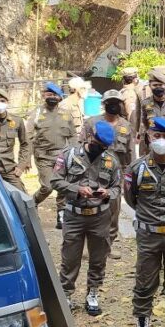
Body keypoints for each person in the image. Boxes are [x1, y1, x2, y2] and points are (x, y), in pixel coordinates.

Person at [52, 119, 122, 316]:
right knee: (70, 258)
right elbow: (55, 180)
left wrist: (107, 193)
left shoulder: (111, 160)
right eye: (98, 145)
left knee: (98, 258)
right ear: (90, 137)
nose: (101, 150)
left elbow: (117, 187)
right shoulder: (69, 155)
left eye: (104, 147)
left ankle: (93, 292)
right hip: (74, 215)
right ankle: (66, 293)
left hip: (99, 217)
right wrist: (76, 189)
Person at [124, 117, 165, 327]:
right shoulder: (136, 169)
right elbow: (130, 199)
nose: (161, 141)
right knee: (145, 284)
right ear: (148, 136)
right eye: (157, 136)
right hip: (148, 237)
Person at [84, 90, 134, 254]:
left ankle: (107, 245)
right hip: (92, 172)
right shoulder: (92, 122)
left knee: (113, 211)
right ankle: (89, 244)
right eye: (110, 102)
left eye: (116, 102)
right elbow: (81, 147)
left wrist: (129, 175)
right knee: (89, 209)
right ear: (104, 104)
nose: (113, 105)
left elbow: (130, 152)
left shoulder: (126, 126)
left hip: (115, 175)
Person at [30, 82, 78, 226]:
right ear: (44, 95)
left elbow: (72, 135)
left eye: (54, 95)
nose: (51, 97)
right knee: (47, 186)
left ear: (59, 97)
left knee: (62, 185)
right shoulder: (37, 113)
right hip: (43, 156)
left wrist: (74, 153)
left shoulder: (66, 115)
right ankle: (33, 202)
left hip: (61, 156)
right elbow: (28, 135)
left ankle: (61, 213)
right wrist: (27, 158)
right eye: (49, 94)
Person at [136, 69, 165, 157]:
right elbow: (144, 124)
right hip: (153, 144)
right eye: (155, 85)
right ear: (150, 86)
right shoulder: (145, 103)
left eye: (161, 85)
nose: (158, 88)